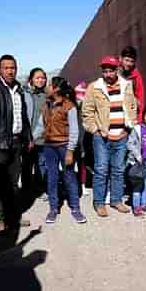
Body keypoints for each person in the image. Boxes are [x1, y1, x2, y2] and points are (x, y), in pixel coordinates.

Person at [0, 55, 33, 233]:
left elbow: (23, 116)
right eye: (6, 68)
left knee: (12, 182)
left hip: (17, 142)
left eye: (13, 67)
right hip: (0, 144)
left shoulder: (19, 90)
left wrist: (29, 137)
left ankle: (12, 216)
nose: (10, 71)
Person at [81, 56, 138, 217]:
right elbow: (87, 112)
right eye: (104, 71)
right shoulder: (94, 87)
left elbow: (132, 106)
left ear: (117, 70)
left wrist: (129, 127)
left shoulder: (127, 85)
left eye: (110, 70)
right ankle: (99, 203)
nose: (107, 74)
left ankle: (116, 200)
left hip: (121, 135)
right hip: (102, 137)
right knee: (101, 170)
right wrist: (95, 130)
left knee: (118, 170)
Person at [34, 77, 87, 224]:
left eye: (50, 84)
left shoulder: (69, 106)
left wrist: (70, 151)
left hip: (64, 146)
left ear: (56, 88)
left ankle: (75, 208)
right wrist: (32, 139)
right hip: (49, 147)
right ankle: (53, 209)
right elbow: (40, 125)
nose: (47, 86)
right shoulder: (46, 105)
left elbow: (74, 131)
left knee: (69, 177)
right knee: (52, 177)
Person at [22, 68, 48, 197]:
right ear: (31, 79)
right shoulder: (25, 94)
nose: (41, 80)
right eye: (37, 78)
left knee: (42, 164)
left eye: (43, 78)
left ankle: (40, 188)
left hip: (43, 137)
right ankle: (26, 189)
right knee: (27, 164)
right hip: (28, 135)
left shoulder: (47, 95)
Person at [118, 46, 145, 120]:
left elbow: (140, 97)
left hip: (130, 113)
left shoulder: (136, 75)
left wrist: (139, 119)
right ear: (120, 58)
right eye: (127, 60)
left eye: (132, 61)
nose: (129, 64)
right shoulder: (113, 71)